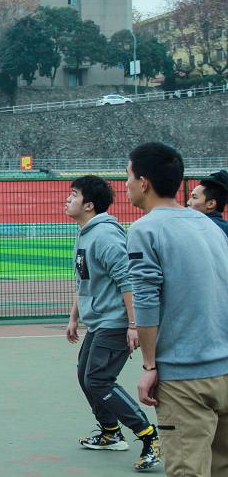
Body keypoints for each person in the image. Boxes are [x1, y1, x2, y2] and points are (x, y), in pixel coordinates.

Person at [126, 142, 228, 477]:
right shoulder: (210, 226)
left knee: (187, 470)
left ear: (144, 182)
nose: (126, 184)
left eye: (128, 176)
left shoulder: (145, 229)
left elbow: (146, 298)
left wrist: (149, 365)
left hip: (184, 377)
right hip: (223, 367)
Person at [63, 175, 161, 472]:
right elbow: (84, 281)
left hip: (116, 321)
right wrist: (74, 317)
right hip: (99, 321)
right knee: (86, 376)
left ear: (89, 205)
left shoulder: (105, 235)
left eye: (74, 194)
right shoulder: (85, 233)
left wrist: (133, 324)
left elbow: (127, 280)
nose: (67, 199)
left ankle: (149, 436)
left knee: (98, 379)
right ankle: (110, 432)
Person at [186, 169, 228, 237]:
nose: (188, 202)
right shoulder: (225, 227)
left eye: (194, 197)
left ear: (211, 204)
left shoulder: (193, 227)